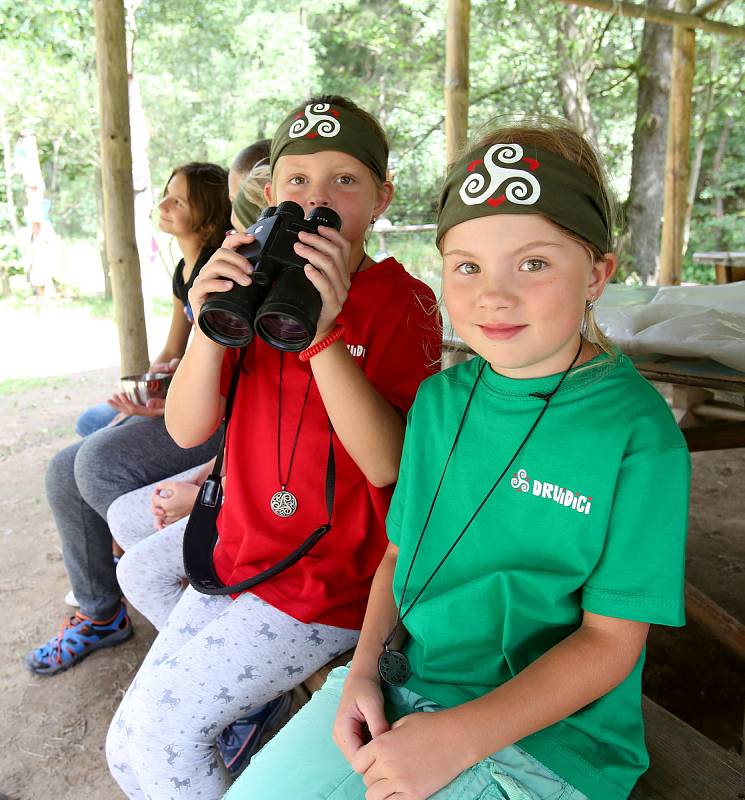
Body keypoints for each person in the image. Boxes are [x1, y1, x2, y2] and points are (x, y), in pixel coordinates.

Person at [224, 120, 691, 800]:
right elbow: (398, 555)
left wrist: (456, 737)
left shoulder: (635, 433)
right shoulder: (441, 400)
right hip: (399, 684)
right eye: (466, 265)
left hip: (548, 739)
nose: (492, 294)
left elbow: (609, 643)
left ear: (595, 274)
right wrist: (360, 671)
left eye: (532, 263)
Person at [105, 94, 442, 799]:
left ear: (381, 198)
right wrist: (208, 315)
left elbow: (388, 464)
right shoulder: (252, 291)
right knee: (129, 746)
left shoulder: (401, 301)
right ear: (270, 195)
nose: (317, 199)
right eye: (296, 181)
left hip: (329, 581)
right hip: (242, 550)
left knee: (160, 744)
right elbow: (188, 428)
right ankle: (250, 708)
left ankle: (247, 711)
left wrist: (322, 333)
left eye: (344, 181)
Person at [24, 162, 233, 675]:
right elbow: (174, 352)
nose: (163, 206)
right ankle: (102, 612)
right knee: (74, 452)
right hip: (189, 401)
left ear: (207, 220)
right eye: (166, 195)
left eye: (177, 201)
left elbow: (235, 379)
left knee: (95, 462)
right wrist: (156, 378)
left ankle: (155, 565)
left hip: (216, 419)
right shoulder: (188, 270)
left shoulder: (228, 269)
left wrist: (166, 400)